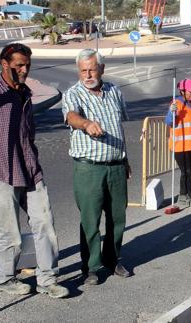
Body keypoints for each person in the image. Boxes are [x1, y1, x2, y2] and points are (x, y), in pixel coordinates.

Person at [0, 43, 69, 298]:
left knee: (45, 225)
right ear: (4, 64)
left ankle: (47, 279)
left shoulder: (24, 92)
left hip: (30, 169)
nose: (24, 69)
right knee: (9, 232)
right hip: (2, 169)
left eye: (27, 65)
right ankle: (4, 278)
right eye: (19, 65)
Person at [62, 49, 131, 285]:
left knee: (117, 218)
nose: (88, 74)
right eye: (83, 70)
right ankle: (91, 266)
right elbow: (71, 116)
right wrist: (86, 124)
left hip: (116, 167)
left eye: (92, 69)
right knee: (90, 220)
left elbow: (120, 128)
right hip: (89, 169)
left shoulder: (114, 91)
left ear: (102, 68)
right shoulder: (74, 94)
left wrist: (125, 160)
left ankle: (112, 259)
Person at [165, 78, 191, 210]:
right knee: (186, 171)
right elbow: (168, 122)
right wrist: (171, 113)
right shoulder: (176, 104)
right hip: (180, 146)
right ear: (182, 91)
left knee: (186, 173)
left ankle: (182, 197)